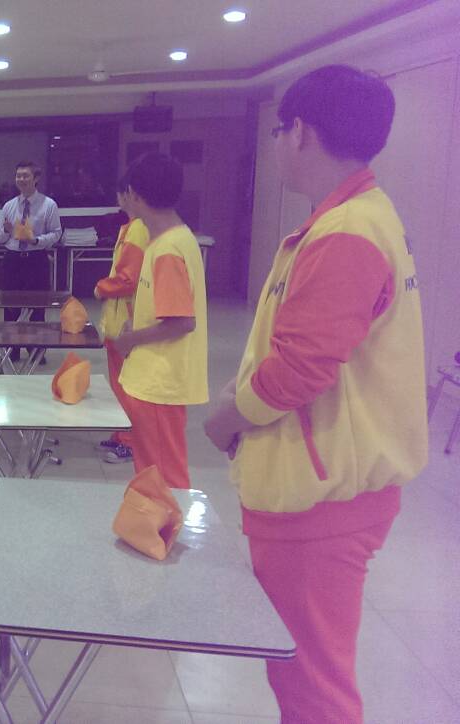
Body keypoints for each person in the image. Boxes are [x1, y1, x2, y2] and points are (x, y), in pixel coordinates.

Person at [202, 65, 425, 723]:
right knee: (302, 674)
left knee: (312, 685)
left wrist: (227, 418)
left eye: (278, 131)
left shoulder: (346, 232)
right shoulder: (355, 219)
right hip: (322, 487)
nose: (276, 145)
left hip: (320, 497)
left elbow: (300, 368)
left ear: (298, 132)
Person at [111, 153, 208, 490]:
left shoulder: (168, 249)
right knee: (152, 469)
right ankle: (154, 518)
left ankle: (166, 521)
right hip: (154, 379)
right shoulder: (173, 239)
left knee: (164, 475)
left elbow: (181, 322)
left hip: (158, 382)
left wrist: (130, 339)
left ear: (135, 195)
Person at [94, 177, 151, 465]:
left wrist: (101, 287)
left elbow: (128, 279)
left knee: (127, 385)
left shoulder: (138, 229)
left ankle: (130, 441)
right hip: (117, 320)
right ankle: (121, 433)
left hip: (127, 321)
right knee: (118, 383)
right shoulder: (129, 228)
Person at [0, 161, 62, 355]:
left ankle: (35, 351)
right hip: (12, 260)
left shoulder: (49, 205)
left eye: (26, 175)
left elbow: (57, 233)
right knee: (10, 307)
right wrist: (6, 231)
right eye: (18, 176)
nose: (21, 179)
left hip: (36, 260)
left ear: (36, 178)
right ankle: (12, 350)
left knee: (37, 308)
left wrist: (36, 240)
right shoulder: (9, 206)